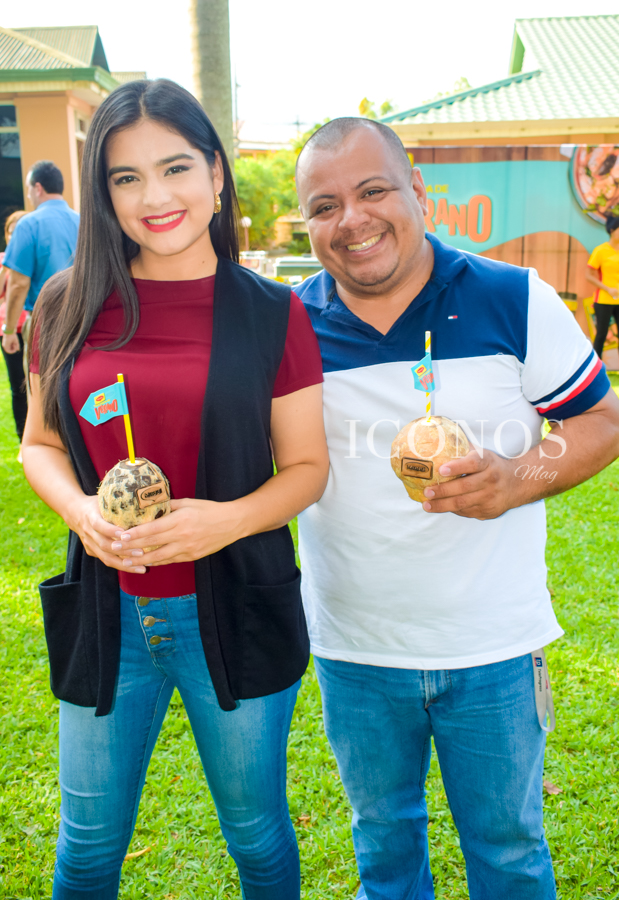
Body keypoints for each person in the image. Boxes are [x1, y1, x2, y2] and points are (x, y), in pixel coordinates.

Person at [294, 118, 619, 900]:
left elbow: (600, 421)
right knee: (383, 848)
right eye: (324, 206)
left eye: (373, 191)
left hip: (492, 647)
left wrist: (515, 476)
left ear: (416, 191)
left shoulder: (512, 297)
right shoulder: (288, 326)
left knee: (507, 852)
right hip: (355, 649)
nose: (351, 219)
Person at [22, 79, 328, 899]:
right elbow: (39, 445)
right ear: (104, 193)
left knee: (255, 834)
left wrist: (224, 522)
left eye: (176, 168)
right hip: (106, 609)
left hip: (233, 604)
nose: (154, 197)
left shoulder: (272, 313)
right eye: (126, 177)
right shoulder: (65, 303)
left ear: (216, 173)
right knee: (87, 846)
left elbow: (307, 468)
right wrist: (81, 511)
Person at [1, 159, 79, 373]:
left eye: (28, 189)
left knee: (42, 386)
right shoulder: (82, 221)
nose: (28, 196)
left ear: (38, 188)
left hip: (44, 322)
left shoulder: (28, 224)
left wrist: (9, 330)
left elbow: (18, 285)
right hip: (82, 319)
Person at [1, 210, 29, 443]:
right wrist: (8, 266)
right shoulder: (3, 260)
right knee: (18, 386)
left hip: (32, 325)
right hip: (10, 330)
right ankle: (23, 438)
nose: (14, 235)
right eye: (11, 231)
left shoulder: (32, 256)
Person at [586, 214, 619, 359]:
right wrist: (608, 289)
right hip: (604, 299)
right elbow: (588, 275)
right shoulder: (601, 250)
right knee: (601, 334)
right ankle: (596, 366)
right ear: (612, 230)